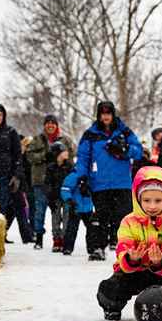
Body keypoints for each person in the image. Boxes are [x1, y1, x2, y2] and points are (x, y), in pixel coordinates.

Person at [96, 166, 162, 321]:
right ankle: (112, 306)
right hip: (134, 273)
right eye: (147, 200)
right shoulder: (128, 222)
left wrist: (160, 262)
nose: (152, 206)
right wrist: (132, 259)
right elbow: (123, 248)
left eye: (158, 201)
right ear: (138, 200)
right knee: (111, 287)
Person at [75, 100, 142, 251]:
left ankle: (124, 247)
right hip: (100, 183)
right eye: (102, 113)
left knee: (123, 217)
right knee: (101, 218)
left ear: (113, 114)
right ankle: (98, 248)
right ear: (98, 115)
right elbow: (83, 158)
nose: (105, 116)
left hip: (122, 182)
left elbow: (138, 151)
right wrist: (82, 178)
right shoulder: (90, 135)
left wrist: (125, 149)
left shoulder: (125, 132)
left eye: (108, 113)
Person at [26, 114, 76, 250]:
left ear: (57, 125)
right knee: (39, 211)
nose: (50, 125)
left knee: (60, 211)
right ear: (44, 125)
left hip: (60, 181)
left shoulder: (65, 140)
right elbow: (29, 156)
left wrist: (63, 162)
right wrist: (45, 155)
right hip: (41, 180)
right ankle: (39, 238)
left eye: (53, 123)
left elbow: (71, 156)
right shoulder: (37, 140)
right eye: (47, 123)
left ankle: (62, 238)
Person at [60, 168, 107, 259]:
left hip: (88, 207)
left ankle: (92, 248)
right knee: (72, 228)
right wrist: (69, 200)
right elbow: (65, 189)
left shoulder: (92, 176)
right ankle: (68, 247)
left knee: (91, 229)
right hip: (76, 207)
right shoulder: (74, 176)